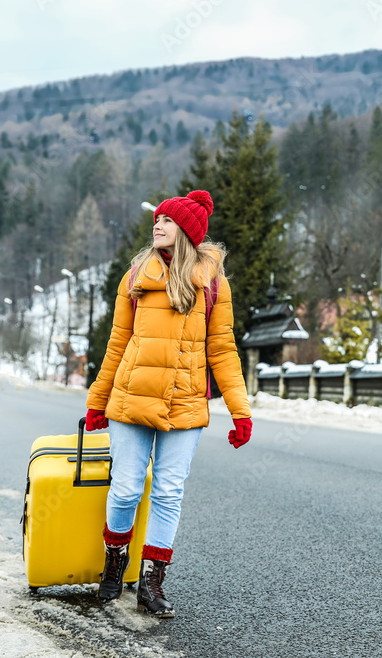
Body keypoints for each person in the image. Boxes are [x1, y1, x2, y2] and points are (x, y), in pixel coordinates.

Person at [84, 189, 252, 617]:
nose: (157, 224)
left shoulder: (214, 284)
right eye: (156, 219)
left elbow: (223, 350)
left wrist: (240, 409)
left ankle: (152, 583)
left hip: (186, 404)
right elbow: (117, 342)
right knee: (124, 489)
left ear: (187, 232)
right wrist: (97, 400)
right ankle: (113, 565)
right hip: (130, 401)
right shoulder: (136, 277)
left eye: (167, 220)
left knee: (168, 493)